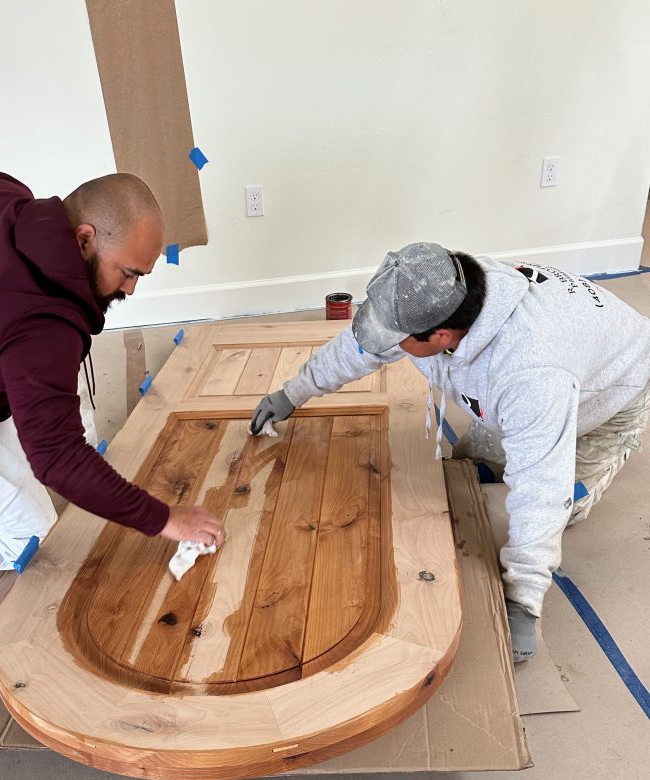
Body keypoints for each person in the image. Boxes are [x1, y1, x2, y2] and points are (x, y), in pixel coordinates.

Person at [251, 242, 650, 662]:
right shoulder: (431, 294)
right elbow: (360, 348)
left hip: (614, 389)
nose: (388, 345)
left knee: (558, 503)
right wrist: (292, 394)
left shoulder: (529, 376)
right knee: (467, 474)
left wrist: (523, 600)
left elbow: (542, 487)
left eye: (398, 340)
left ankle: (612, 455)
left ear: (441, 336)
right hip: (558, 359)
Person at [0, 170, 224, 612]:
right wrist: (166, 519)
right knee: (26, 534)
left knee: (42, 467)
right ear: (83, 239)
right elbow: (57, 457)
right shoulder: (42, 326)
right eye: (127, 272)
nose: (131, 289)